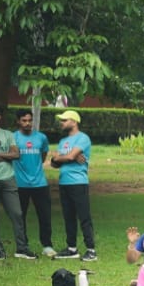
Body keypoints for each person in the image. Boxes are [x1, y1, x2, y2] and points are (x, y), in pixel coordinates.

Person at [49, 109, 95, 261]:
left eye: (64, 120)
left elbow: (68, 157)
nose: (61, 123)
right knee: (68, 217)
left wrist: (61, 157)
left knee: (84, 217)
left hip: (78, 183)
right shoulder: (63, 141)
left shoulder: (83, 138)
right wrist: (62, 158)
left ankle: (91, 250)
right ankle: (71, 249)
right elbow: (54, 163)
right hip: (64, 182)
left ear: (74, 122)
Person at [0, 103, 30, 260]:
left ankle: (22, 249)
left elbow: (16, 155)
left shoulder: (8, 134)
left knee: (17, 213)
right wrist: (6, 155)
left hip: (8, 178)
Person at [12, 110, 54, 257]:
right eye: (24, 120)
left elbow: (43, 157)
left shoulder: (41, 137)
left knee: (45, 216)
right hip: (20, 184)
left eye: (30, 120)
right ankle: (23, 246)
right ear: (18, 121)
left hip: (40, 184)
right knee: (20, 217)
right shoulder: (13, 138)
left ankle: (47, 245)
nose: (27, 123)